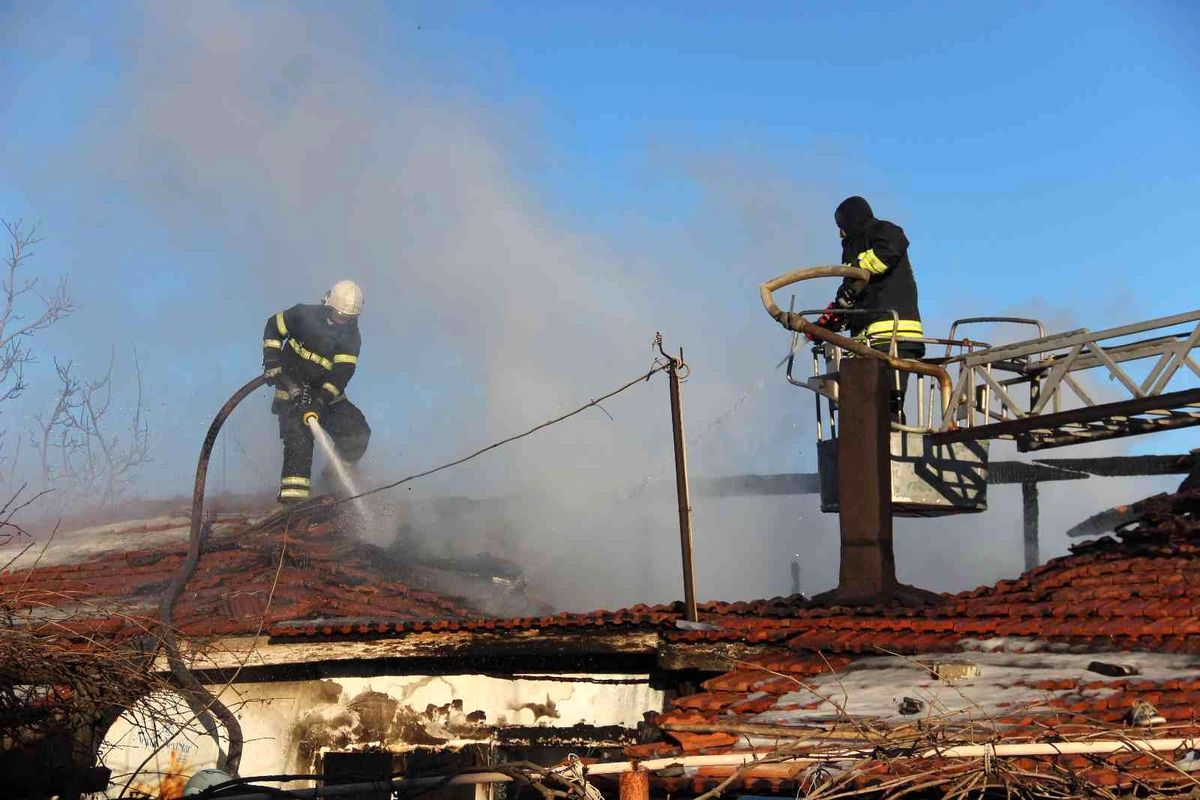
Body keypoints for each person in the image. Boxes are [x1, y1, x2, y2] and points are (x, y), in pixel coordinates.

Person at [813, 196, 924, 418]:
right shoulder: (854, 248)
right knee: (868, 411)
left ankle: (887, 443)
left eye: (841, 227)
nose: (840, 234)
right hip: (868, 344)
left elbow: (894, 245)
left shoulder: (882, 231)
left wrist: (857, 269)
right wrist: (831, 319)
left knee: (886, 407)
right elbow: (853, 294)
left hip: (893, 337)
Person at [262, 280, 371, 504]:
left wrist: (321, 400)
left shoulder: (352, 338)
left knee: (357, 433)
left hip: (326, 396)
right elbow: (273, 327)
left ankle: (332, 480)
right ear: (328, 304)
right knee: (300, 440)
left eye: (348, 318)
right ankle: (293, 507)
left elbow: (342, 373)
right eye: (340, 315)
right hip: (291, 391)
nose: (343, 321)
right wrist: (272, 360)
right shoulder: (302, 315)